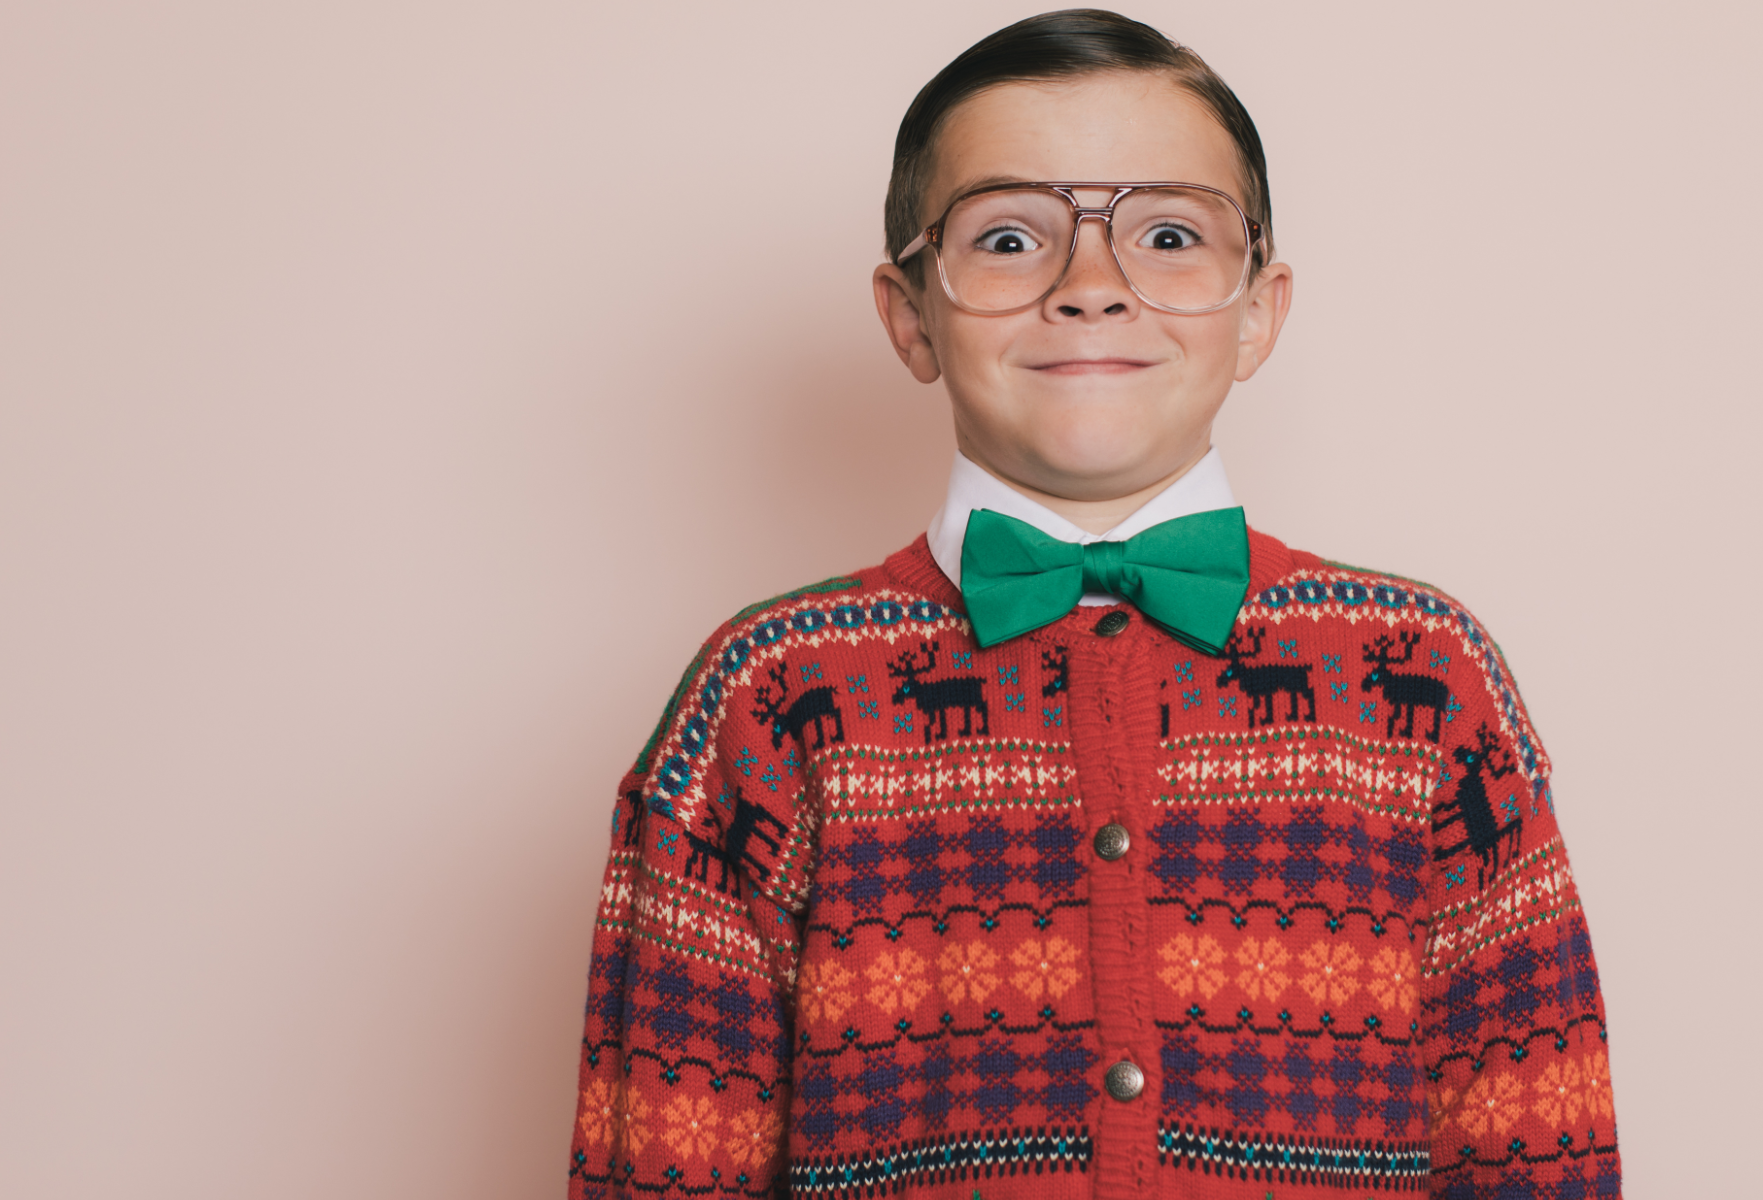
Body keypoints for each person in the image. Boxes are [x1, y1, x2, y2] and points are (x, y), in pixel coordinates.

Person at [566, 11, 1621, 1199]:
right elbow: (656, 1161)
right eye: (1008, 237)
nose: (1089, 288)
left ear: (1257, 309)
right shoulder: (768, 691)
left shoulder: (1426, 674)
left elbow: (1540, 1144)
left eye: (1166, 235)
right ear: (910, 314)